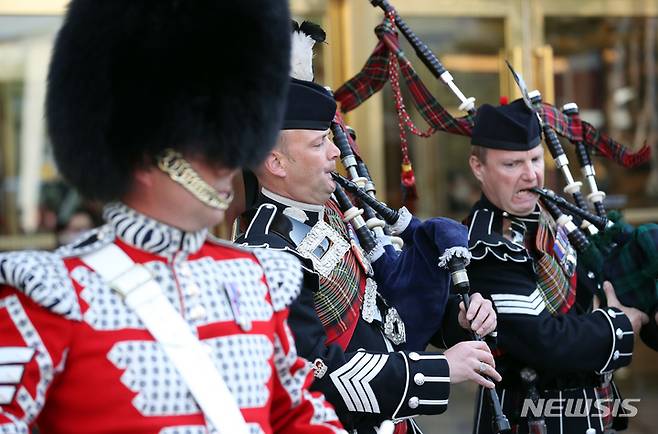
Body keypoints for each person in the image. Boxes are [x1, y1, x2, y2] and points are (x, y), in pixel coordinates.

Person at [0, 2, 345, 433]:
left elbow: (294, 415)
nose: (231, 160)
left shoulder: (259, 278)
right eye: (210, 145)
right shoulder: (50, 296)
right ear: (146, 155)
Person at [236, 23, 500, 433]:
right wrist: (436, 371)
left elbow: (385, 309)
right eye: (318, 142)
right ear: (276, 163)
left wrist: (457, 320)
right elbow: (313, 372)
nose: (335, 153)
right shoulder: (266, 250)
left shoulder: (331, 214)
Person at [464, 99, 650, 434]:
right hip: (538, 418)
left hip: (590, 407)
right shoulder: (487, 246)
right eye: (512, 164)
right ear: (478, 168)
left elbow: (587, 287)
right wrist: (622, 322)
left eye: (535, 159)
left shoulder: (544, 213)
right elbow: (546, 343)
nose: (531, 174)